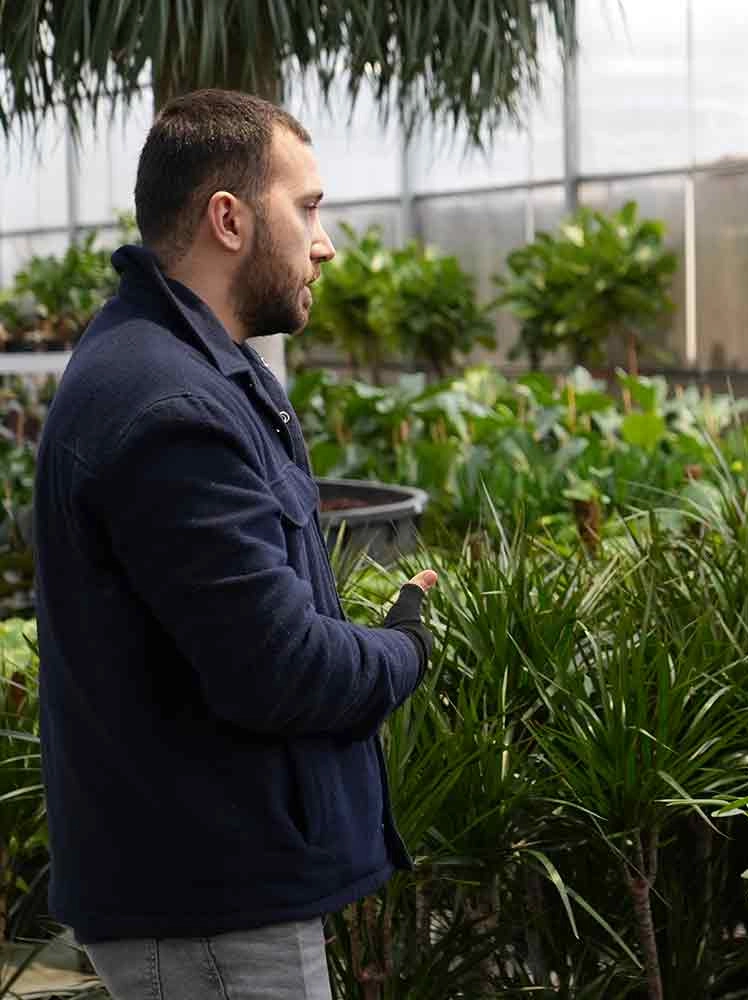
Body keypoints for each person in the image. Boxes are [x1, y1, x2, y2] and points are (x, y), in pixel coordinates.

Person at [34, 90, 439, 999]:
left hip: (211, 892)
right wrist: (405, 646)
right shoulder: (166, 405)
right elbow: (279, 671)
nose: (325, 243)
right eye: (307, 209)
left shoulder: (184, 366)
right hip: (209, 909)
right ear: (228, 218)